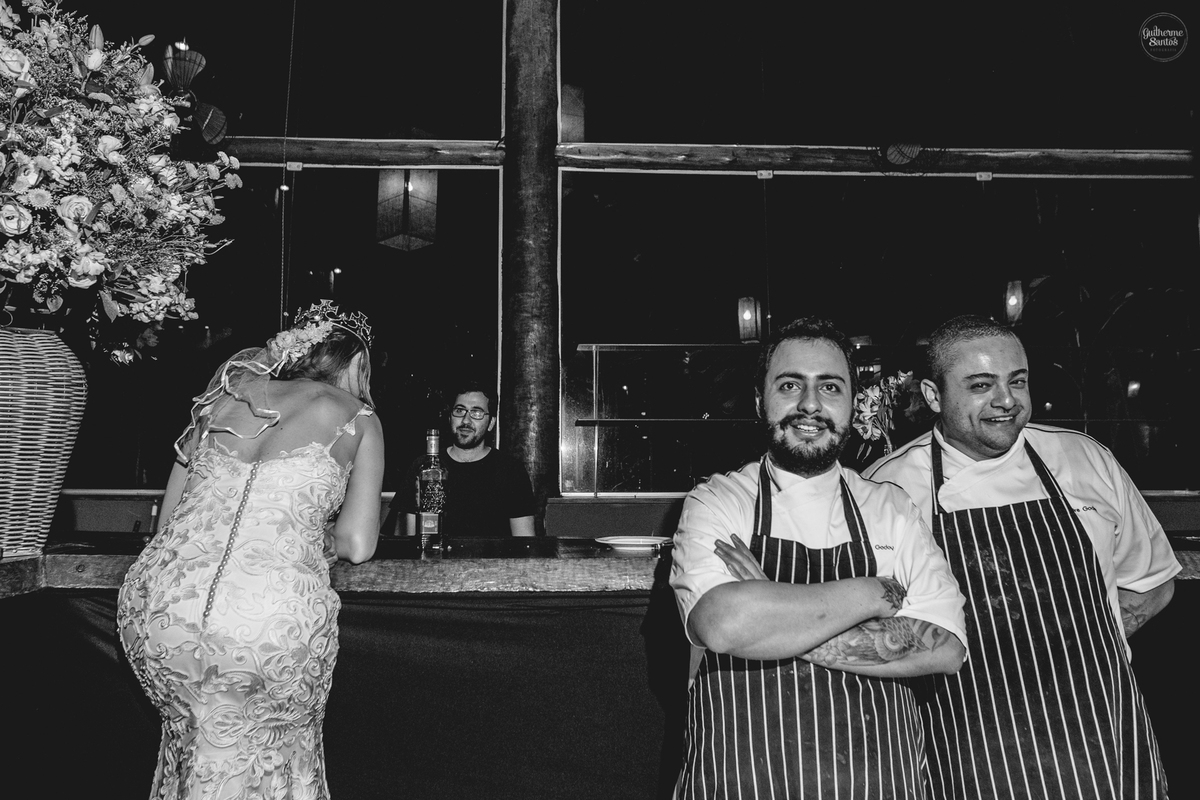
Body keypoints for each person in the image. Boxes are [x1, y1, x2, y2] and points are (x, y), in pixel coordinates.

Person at [864, 314, 1180, 800]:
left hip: (1104, 739)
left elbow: (1152, 580)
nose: (1007, 400)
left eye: (1017, 381)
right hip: (971, 748)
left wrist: (1089, 647)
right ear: (933, 396)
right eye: (981, 385)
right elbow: (872, 622)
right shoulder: (887, 488)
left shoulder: (1085, 460)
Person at [669, 317, 968, 798]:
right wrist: (872, 593)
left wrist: (769, 606)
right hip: (744, 780)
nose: (810, 404)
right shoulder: (719, 500)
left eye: (830, 387)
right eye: (790, 385)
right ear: (760, 400)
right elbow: (723, 625)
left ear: (851, 402)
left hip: (878, 782)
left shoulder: (890, 508)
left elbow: (945, 647)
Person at [117, 300, 384, 800]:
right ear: (354, 363)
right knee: (269, 755)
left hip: (161, 605)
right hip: (267, 617)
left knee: (195, 744)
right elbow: (357, 543)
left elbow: (169, 521)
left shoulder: (223, 401)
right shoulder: (359, 417)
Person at [397, 381, 536, 537]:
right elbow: (404, 539)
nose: (465, 421)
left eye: (476, 412)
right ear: (450, 418)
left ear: (491, 423)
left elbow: (525, 541)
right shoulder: (424, 467)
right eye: (459, 410)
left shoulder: (510, 470)